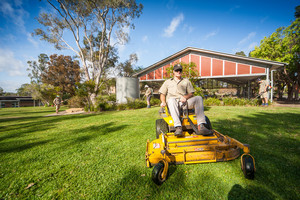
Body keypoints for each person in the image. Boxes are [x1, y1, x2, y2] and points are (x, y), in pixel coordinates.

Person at [158, 64, 213, 137]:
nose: (178, 72)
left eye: (180, 70)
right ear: (173, 72)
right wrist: (163, 102)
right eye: (176, 70)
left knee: (198, 98)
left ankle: (201, 126)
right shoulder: (167, 82)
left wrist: (185, 97)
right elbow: (162, 94)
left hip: (184, 102)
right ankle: (178, 127)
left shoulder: (186, 81)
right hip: (173, 104)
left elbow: (191, 93)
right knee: (171, 100)